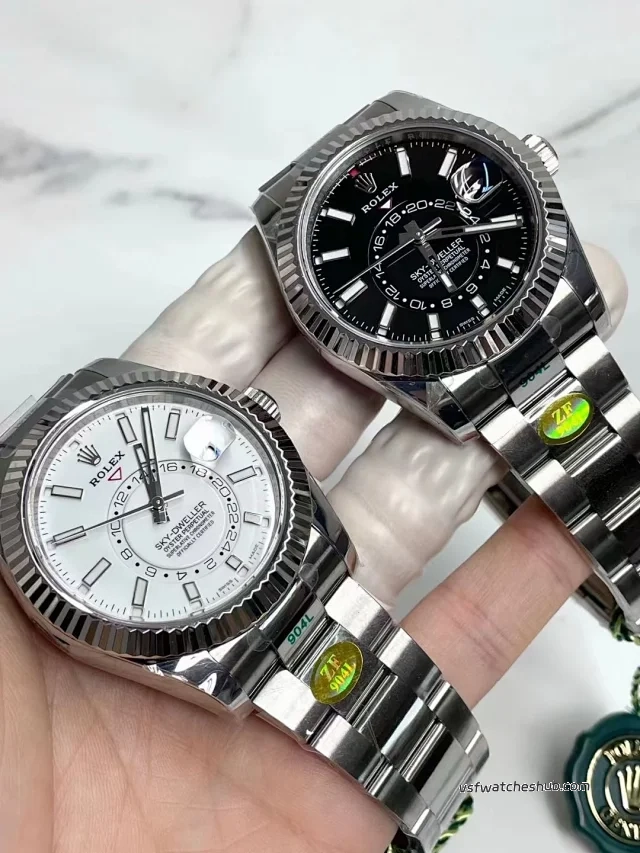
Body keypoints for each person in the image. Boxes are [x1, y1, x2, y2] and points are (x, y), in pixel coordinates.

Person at [0, 229, 629, 852]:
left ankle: (436, 780)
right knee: (406, 747)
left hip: (296, 546)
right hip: (227, 639)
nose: (161, 510)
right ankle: (433, 787)